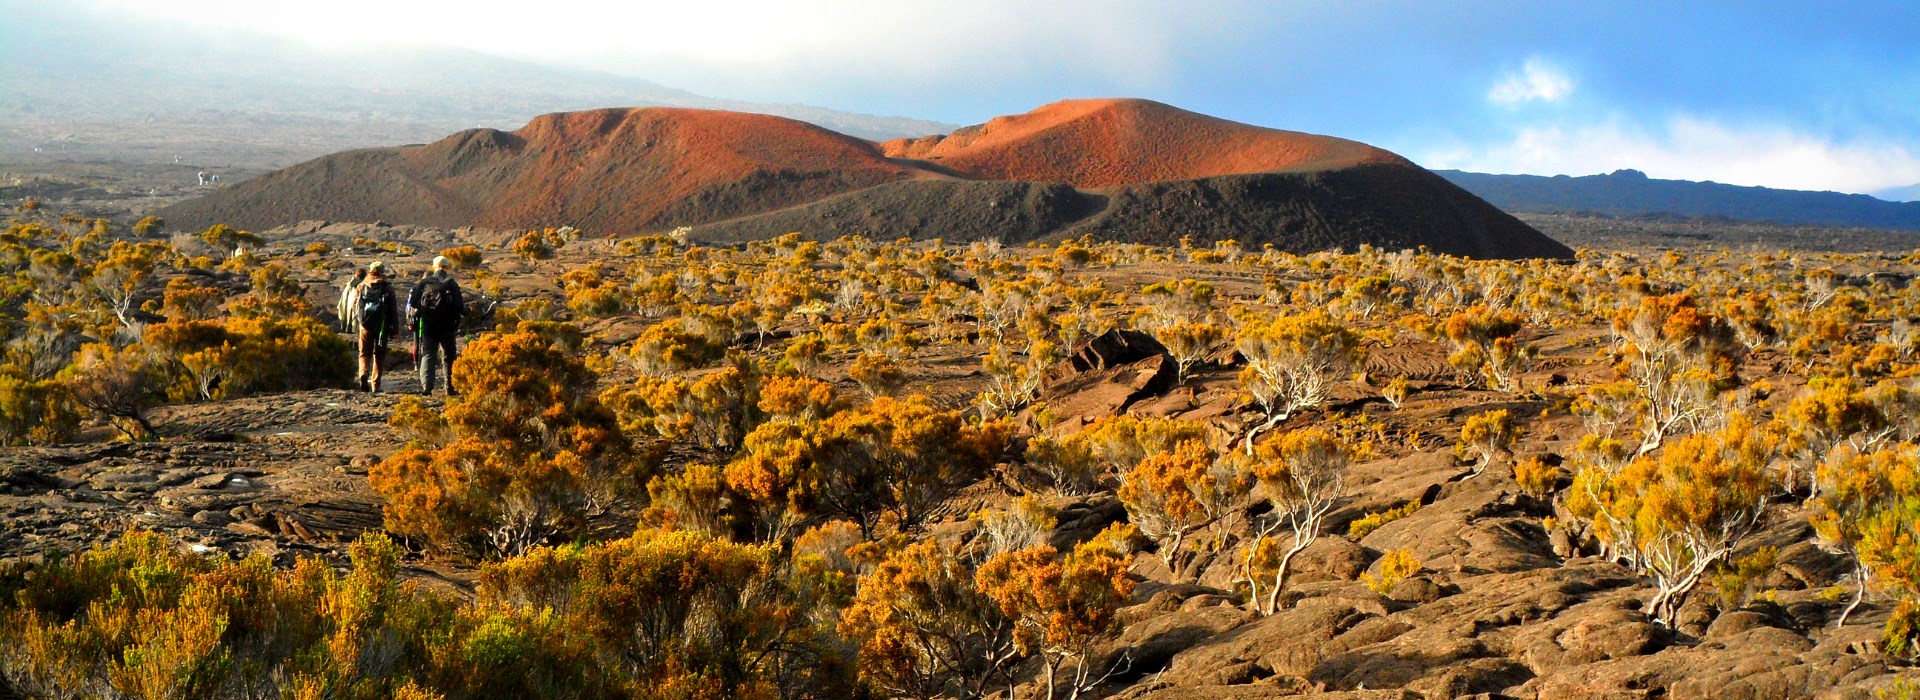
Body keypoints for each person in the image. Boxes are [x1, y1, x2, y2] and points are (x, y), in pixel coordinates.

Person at [409, 255, 466, 396]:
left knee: (429, 354)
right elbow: (459, 306)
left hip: (428, 325)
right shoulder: (451, 283)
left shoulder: (425, 282)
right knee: (449, 355)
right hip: (447, 326)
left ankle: (427, 387)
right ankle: (450, 387)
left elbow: (414, 303)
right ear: (446, 267)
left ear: (434, 267)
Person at [355, 261, 400, 393]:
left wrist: (360, 322)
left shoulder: (361, 286)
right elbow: (393, 310)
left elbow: (355, 306)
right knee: (379, 355)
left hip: (365, 325)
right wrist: (395, 330)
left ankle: (363, 373)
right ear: (381, 271)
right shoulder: (387, 287)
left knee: (364, 353)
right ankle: (376, 384)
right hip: (382, 326)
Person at [336, 268, 366, 333]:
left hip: (346, 308)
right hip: (355, 310)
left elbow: (343, 299)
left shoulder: (349, 284)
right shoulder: (362, 286)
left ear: (356, 275)